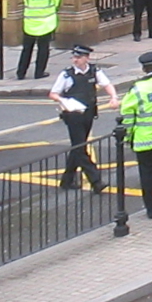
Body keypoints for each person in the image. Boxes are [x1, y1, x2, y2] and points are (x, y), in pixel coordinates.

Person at [49, 45, 117, 193]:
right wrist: (64, 101)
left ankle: (67, 181)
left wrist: (113, 97)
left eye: (78, 57)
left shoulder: (95, 71)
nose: (75, 60)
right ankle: (96, 181)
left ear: (87, 58)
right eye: (74, 57)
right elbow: (53, 93)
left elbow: (107, 84)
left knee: (77, 146)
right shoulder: (66, 75)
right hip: (73, 115)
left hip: (89, 113)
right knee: (80, 147)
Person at [118, 50, 152, 218]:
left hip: (144, 140)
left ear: (143, 69)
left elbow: (128, 116)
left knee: (147, 175)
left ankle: (151, 210)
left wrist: (127, 137)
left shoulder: (137, 89)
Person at [16, 0, 61, 79]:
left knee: (27, 49)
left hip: (30, 23)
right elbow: (56, 3)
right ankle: (39, 72)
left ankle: (21, 73)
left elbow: (26, 2)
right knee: (43, 49)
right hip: (46, 24)